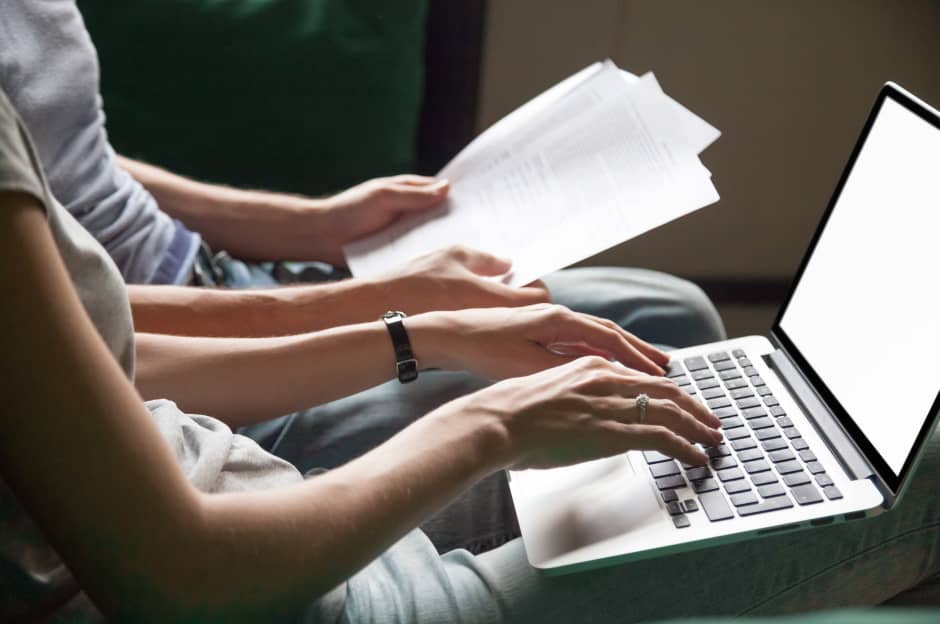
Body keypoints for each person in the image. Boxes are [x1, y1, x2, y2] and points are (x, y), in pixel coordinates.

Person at [3, 85, 940, 623]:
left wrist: (422, 334)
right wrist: (490, 420)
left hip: (274, 513)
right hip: (321, 591)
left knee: (699, 386)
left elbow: (116, 358)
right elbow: (182, 580)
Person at [0, 0, 725, 479]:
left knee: (665, 311)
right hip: (158, 374)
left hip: (211, 279)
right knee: (639, 360)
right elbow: (80, 329)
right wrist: (391, 310)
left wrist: (313, 226)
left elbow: (66, 155)